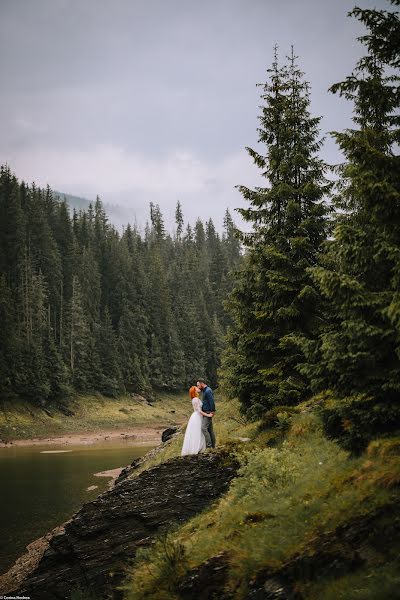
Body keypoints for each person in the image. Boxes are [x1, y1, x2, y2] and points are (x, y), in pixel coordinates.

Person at [181, 386, 213, 456]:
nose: (198, 388)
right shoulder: (195, 399)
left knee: (199, 431)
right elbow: (199, 411)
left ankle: (201, 447)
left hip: (198, 416)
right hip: (197, 417)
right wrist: (208, 415)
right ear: (194, 391)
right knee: (197, 432)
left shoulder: (196, 398)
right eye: (196, 388)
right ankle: (197, 447)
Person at [197, 379, 216, 448]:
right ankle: (213, 446)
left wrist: (212, 411)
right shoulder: (205, 391)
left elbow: (212, 401)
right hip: (206, 412)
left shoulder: (208, 391)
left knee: (204, 428)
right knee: (210, 430)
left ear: (202, 383)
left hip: (208, 412)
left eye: (198, 385)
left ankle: (209, 446)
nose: (198, 387)